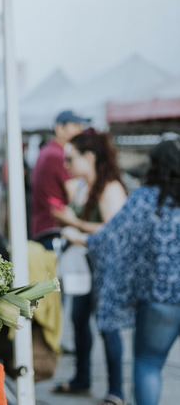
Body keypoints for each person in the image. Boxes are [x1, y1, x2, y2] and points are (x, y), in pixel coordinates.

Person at [63, 139, 180, 405]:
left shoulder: (143, 200)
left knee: (148, 364)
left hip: (158, 299)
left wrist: (78, 236)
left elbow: (111, 236)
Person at [50, 129, 128, 405]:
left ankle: (116, 391)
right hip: (85, 265)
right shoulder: (84, 186)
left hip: (108, 268)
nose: (66, 165)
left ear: (90, 156)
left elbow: (114, 231)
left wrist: (75, 225)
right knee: (79, 320)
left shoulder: (111, 188)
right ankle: (82, 379)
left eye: (71, 158)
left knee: (107, 326)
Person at [29, 110, 88, 248]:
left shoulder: (48, 151)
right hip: (53, 231)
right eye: (75, 125)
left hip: (44, 228)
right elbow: (75, 196)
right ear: (60, 128)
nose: (80, 130)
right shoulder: (58, 155)